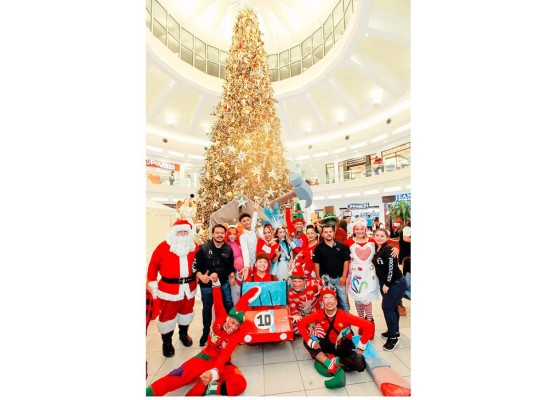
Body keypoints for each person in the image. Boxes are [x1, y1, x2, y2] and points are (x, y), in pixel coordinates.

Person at [146, 274, 261, 396]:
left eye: (237, 325)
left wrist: (214, 372)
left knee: (240, 383)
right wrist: (216, 283)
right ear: (228, 318)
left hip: (222, 364)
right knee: (177, 376)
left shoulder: (235, 334)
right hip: (204, 358)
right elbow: (217, 299)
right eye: (233, 322)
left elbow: (225, 353)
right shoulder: (221, 317)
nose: (233, 327)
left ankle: (209, 388)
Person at [297, 287, 374, 389]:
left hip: (343, 346)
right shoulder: (319, 314)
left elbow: (369, 326)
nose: (329, 302)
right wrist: (310, 341)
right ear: (322, 302)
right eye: (326, 299)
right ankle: (329, 363)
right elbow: (301, 324)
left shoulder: (345, 315)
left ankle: (335, 361)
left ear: (336, 301)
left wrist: (361, 346)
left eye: (331, 298)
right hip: (328, 343)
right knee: (306, 342)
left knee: (360, 365)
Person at [146, 219, 199, 356]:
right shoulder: (162, 247)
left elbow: (201, 264)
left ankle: (183, 334)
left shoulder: (195, 247)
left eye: (185, 231)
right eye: (179, 231)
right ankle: (167, 342)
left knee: (186, 313)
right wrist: (152, 283)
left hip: (189, 289)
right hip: (169, 290)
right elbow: (152, 267)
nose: (182, 234)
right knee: (167, 317)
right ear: (173, 233)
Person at [193, 224, 235, 347]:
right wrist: (201, 276)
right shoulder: (203, 248)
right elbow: (195, 266)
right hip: (207, 286)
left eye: (222, 233)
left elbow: (230, 266)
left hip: (224, 284)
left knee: (229, 305)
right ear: (212, 234)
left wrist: (232, 275)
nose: (220, 235)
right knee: (207, 308)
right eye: (217, 233)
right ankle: (206, 333)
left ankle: (232, 330)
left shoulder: (228, 249)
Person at [372, 228, 407, 352]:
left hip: (395, 283)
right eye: (377, 235)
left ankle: (393, 338)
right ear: (374, 236)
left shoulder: (388, 249)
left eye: (382, 235)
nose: (379, 237)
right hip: (386, 283)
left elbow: (392, 267)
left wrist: (387, 283)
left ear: (387, 238)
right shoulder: (378, 249)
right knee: (392, 307)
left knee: (387, 308)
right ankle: (395, 331)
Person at [312, 225, 351, 311]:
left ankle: (346, 323)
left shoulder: (341, 246)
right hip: (325, 279)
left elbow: (346, 261)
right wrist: (318, 277)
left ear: (334, 233)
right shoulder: (318, 248)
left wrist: (344, 276)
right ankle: (329, 323)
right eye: (326, 232)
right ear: (322, 234)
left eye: (330, 232)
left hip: (339, 279)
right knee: (327, 303)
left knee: (344, 302)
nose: (328, 234)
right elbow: (316, 263)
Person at [287, 263, 322, 335]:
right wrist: (296, 316)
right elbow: (293, 308)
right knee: (292, 327)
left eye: (299, 281)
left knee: (322, 327)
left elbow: (325, 285)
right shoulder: (290, 293)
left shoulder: (312, 283)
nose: (297, 284)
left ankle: (311, 329)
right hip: (303, 315)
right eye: (295, 281)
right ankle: (309, 330)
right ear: (292, 281)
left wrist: (321, 289)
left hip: (316, 313)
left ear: (304, 281)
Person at [225, 224, 244, 305]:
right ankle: (236, 306)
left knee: (240, 288)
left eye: (234, 234)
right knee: (233, 289)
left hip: (241, 270)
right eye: (230, 234)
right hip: (231, 270)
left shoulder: (240, 243)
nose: (232, 236)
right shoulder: (226, 245)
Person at [238, 210, 258, 281]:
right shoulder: (242, 235)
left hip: (257, 261)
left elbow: (254, 221)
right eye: (244, 221)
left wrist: (255, 210)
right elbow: (245, 251)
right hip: (249, 263)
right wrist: (247, 266)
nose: (246, 222)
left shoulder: (252, 230)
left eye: (248, 220)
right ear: (241, 223)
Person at [398, 219, 411, 316]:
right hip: (407, 256)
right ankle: (399, 304)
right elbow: (406, 239)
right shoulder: (407, 228)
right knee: (406, 281)